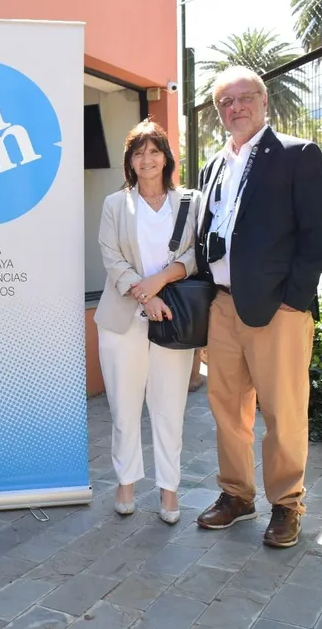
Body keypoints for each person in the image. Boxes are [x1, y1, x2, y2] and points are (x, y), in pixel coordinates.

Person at [194, 66, 322, 548]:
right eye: (224, 103)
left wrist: (294, 301)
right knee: (227, 409)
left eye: (243, 98)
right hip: (224, 307)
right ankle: (236, 495)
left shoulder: (297, 155)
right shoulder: (213, 166)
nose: (234, 108)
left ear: (264, 101)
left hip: (278, 310)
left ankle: (286, 503)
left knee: (284, 410)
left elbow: (320, 235)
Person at [93, 119, 202, 525]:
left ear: (166, 157)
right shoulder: (115, 204)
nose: (147, 159)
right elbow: (111, 257)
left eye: (154, 151)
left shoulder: (189, 202)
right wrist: (146, 295)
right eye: (138, 152)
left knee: (169, 405)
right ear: (130, 161)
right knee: (123, 406)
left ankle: (169, 489)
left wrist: (161, 283)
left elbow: (194, 256)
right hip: (123, 320)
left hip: (174, 319)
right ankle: (125, 482)